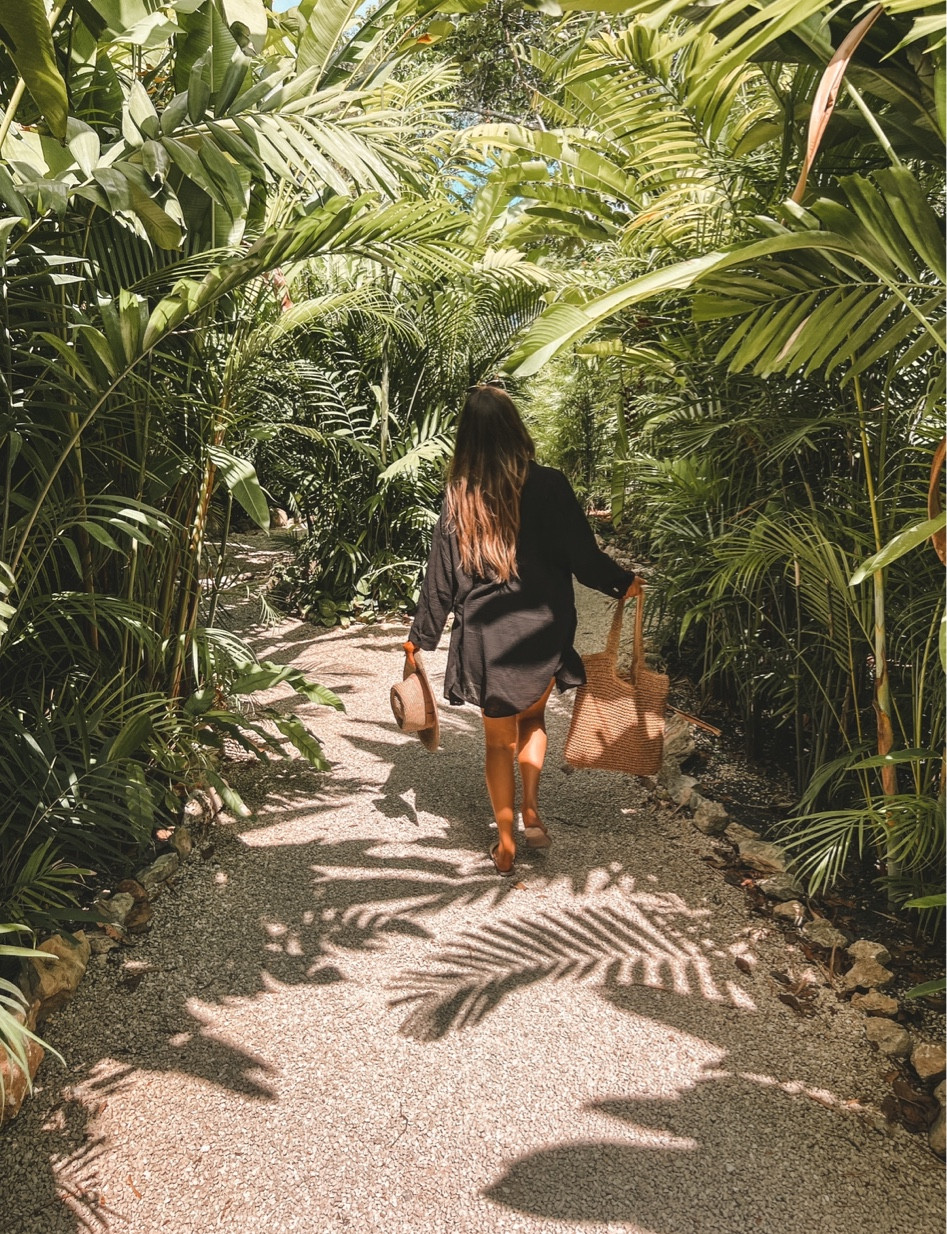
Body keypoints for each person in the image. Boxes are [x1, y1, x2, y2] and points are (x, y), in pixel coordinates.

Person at [404, 383, 642, 874]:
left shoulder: (459, 497)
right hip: (543, 631)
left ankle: (506, 841)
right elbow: (582, 557)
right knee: (533, 721)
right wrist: (623, 583)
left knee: (497, 742)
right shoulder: (551, 485)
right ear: (516, 430)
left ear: (467, 438)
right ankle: (532, 810)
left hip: (487, 641)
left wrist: (419, 637)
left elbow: (440, 580)